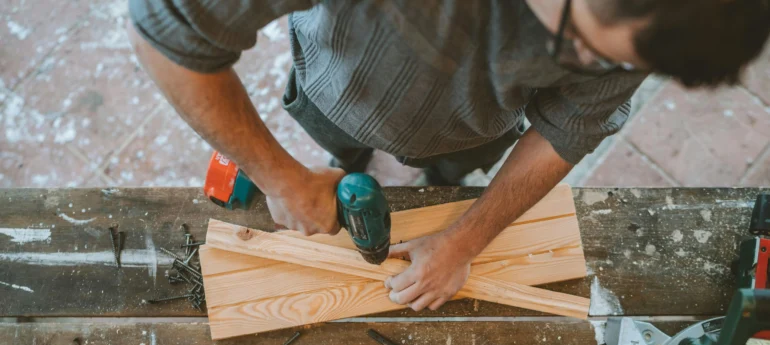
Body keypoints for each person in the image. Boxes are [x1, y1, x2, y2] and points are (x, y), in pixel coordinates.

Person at [128, 0, 770, 311]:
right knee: (340, 142)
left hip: (473, 130)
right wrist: (282, 178)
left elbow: (572, 123)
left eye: (620, 65)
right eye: (579, 43)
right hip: (339, 87)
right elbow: (166, 35)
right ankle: (351, 156)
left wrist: (465, 238)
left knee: (443, 172)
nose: (587, 70)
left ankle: (426, 167)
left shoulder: (663, 16)